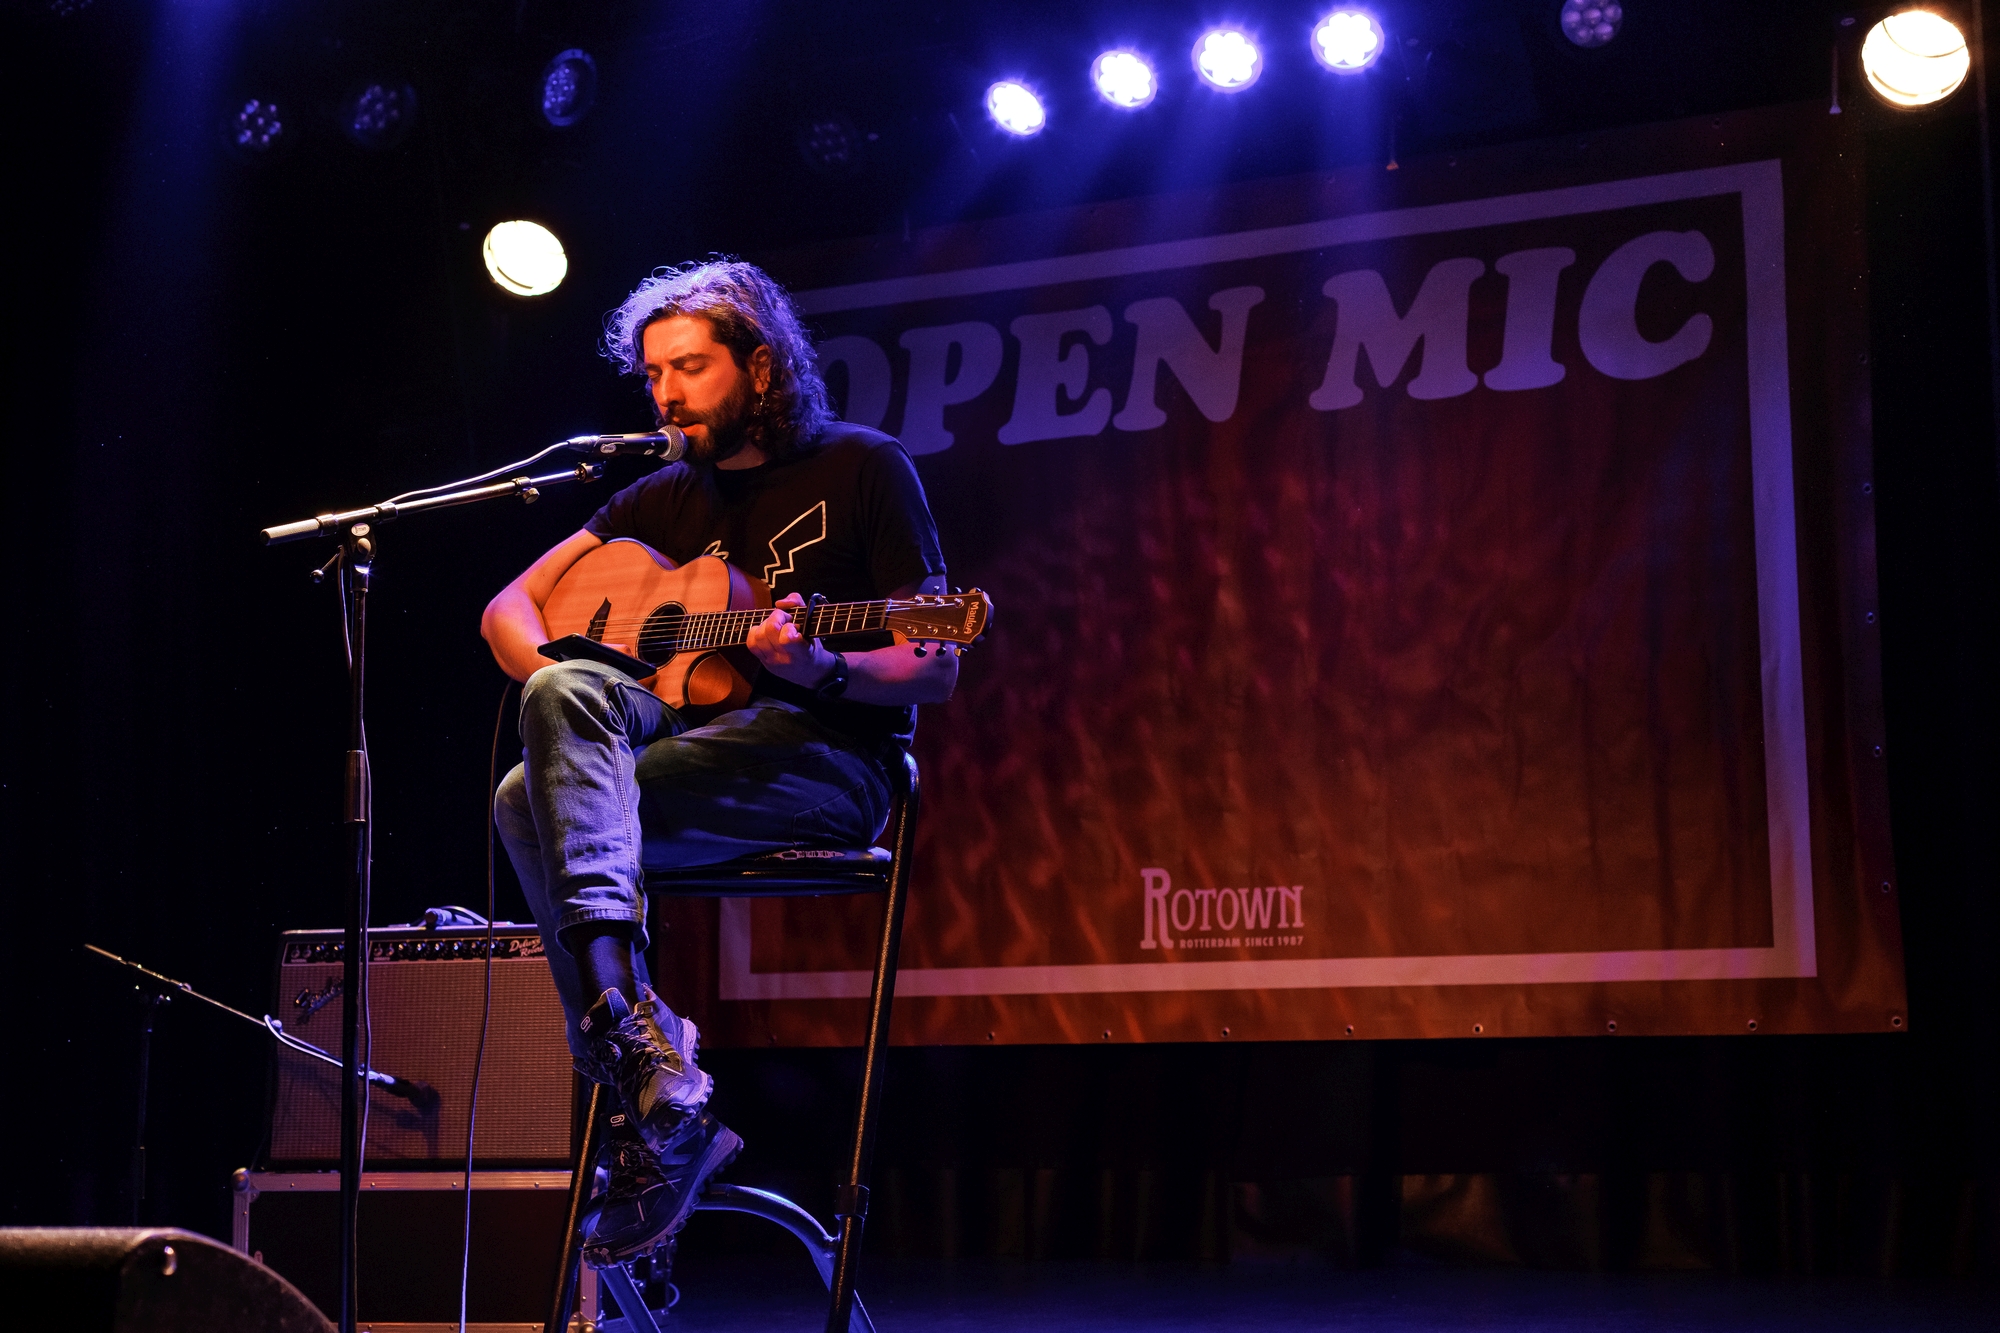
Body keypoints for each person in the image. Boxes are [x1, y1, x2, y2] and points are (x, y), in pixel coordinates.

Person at [484, 261, 955, 1265]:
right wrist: (563, 679)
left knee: (534, 802)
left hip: (825, 762)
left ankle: (640, 1081)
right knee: (536, 766)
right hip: (686, 757)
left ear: (759, 366)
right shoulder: (656, 496)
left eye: (689, 368)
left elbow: (932, 660)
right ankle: (656, 1078)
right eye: (652, 373)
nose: (665, 393)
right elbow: (505, 610)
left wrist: (821, 666)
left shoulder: (863, 466)